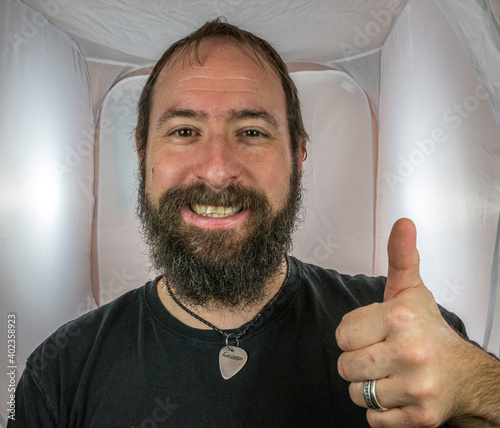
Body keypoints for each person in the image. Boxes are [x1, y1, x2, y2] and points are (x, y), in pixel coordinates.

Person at [9, 19, 500, 428]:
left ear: (298, 155)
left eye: (251, 131)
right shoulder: (60, 372)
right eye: (184, 131)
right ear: (142, 155)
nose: (218, 169)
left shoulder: (403, 333)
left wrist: (473, 386)